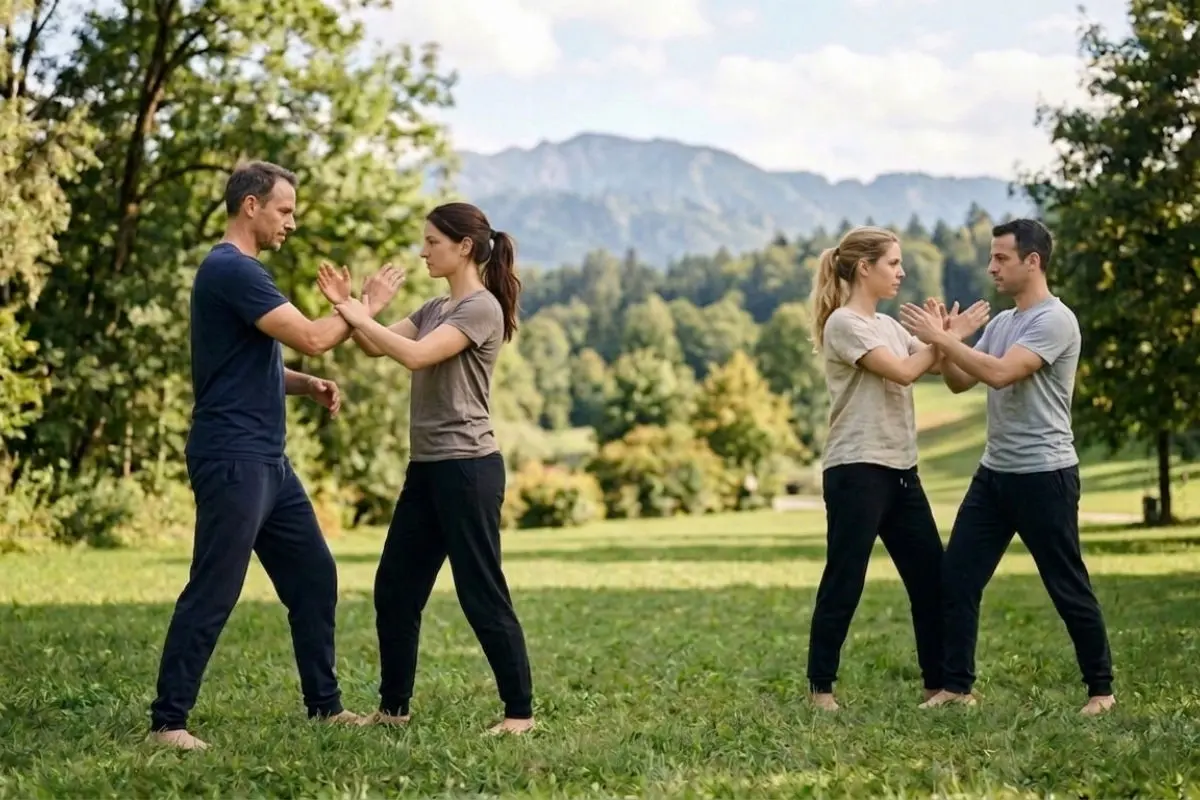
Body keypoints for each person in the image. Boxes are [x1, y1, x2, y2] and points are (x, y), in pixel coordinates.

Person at [147, 161, 404, 751]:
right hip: (233, 455)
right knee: (214, 586)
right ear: (252, 207)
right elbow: (313, 335)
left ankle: (325, 707)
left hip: (268, 460)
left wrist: (305, 384)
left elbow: (245, 363)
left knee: (314, 577)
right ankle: (168, 722)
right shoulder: (232, 270)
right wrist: (365, 305)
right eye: (285, 210)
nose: (291, 221)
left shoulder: (242, 274)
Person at [322, 201, 535, 735]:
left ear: (464, 247)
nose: (423, 251)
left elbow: (415, 357)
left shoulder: (480, 308)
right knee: (395, 588)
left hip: (468, 468)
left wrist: (355, 311)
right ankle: (393, 711)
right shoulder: (435, 307)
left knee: (481, 591)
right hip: (428, 469)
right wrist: (360, 309)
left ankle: (519, 715)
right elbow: (375, 348)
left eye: (433, 243)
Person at [899, 217, 1116, 716]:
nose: (991, 266)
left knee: (1065, 583)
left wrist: (945, 339)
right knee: (957, 578)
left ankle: (1101, 691)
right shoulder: (1001, 323)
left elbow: (1000, 374)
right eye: (992, 257)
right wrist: (946, 341)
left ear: (1032, 261)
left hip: (1045, 475)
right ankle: (957, 688)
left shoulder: (1054, 320)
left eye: (1001, 257)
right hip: (995, 474)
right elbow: (959, 381)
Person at [804, 225, 991, 711]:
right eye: (893, 263)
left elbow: (931, 364)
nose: (901, 272)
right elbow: (906, 371)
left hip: (901, 470)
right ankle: (821, 688)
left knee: (932, 580)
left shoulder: (887, 326)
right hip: (857, 469)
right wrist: (950, 336)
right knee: (846, 578)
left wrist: (942, 340)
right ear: (864, 267)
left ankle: (938, 687)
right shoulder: (844, 324)